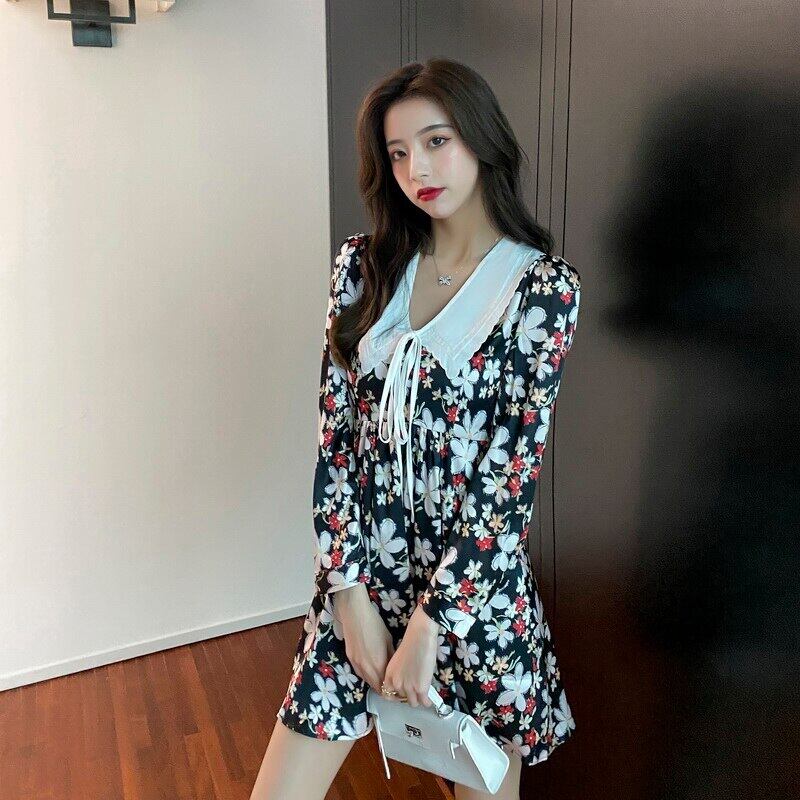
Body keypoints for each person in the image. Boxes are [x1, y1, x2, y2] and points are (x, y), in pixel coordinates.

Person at [249, 58, 581, 800]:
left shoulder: (542, 290)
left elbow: (507, 485)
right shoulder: (363, 269)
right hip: (361, 588)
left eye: (436, 142)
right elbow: (336, 446)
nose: (416, 170)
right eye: (398, 153)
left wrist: (432, 626)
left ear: (481, 139)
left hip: (470, 599)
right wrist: (346, 595)